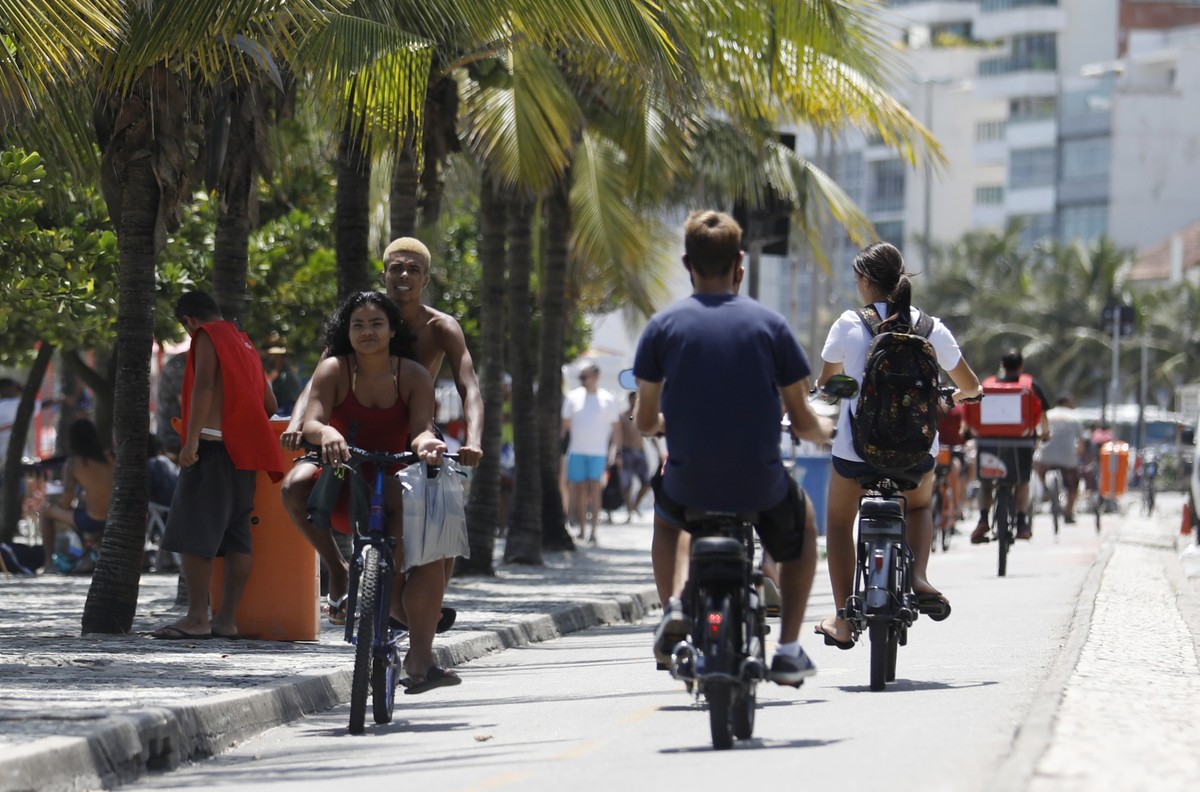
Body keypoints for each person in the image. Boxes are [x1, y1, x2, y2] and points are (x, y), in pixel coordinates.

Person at [632, 210, 834, 686]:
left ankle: (676, 607)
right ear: (739, 265)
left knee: (671, 519)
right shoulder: (770, 326)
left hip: (689, 478)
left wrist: (669, 422)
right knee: (803, 530)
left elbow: (644, 420)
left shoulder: (662, 328)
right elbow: (802, 419)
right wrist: (822, 433)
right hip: (757, 480)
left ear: (687, 264)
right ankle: (786, 648)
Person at [280, 237, 482, 604]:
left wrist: (474, 440)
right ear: (385, 274)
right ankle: (337, 569)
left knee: (446, 513)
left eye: (413, 269)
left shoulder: (441, 327)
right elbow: (316, 380)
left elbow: (469, 387)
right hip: (350, 434)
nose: (404, 275)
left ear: (425, 279)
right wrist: (297, 424)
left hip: (414, 432)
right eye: (397, 268)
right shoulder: (364, 316)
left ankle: (423, 606)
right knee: (294, 487)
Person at [279, 291, 455, 691]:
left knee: (426, 546)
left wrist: (427, 443)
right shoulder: (333, 370)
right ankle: (338, 571)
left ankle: (420, 655)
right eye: (357, 324)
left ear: (394, 330)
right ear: (346, 332)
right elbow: (312, 421)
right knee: (293, 487)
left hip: (393, 478)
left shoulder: (414, 375)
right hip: (343, 473)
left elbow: (422, 428)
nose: (367, 332)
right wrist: (327, 433)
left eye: (376, 324)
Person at [814, 242, 981, 650]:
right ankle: (919, 576)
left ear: (867, 281)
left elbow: (826, 384)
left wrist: (841, 390)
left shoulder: (849, 325)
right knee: (921, 505)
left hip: (857, 454)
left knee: (838, 523)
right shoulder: (931, 328)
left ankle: (841, 617)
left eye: (857, 280)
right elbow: (972, 385)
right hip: (916, 455)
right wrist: (957, 398)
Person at [152, 290, 284, 640]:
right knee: (238, 536)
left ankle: (197, 618)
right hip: (244, 456)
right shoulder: (245, 342)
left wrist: (192, 440)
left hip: (211, 449)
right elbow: (270, 403)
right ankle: (226, 619)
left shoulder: (207, 336)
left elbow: (205, 385)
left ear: (189, 321)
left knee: (195, 534)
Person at [969, 349, 1051, 543]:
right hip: (1021, 444)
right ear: (1021, 367)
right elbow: (1044, 417)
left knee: (986, 482)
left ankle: (982, 519)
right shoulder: (1031, 385)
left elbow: (971, 412)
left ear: (1002, 366)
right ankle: (1022, 523)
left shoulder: (987, 385)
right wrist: (1044, 434)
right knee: (1022, 481)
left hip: (989, 443)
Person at [39, 419, 115, 574]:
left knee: (46, 511)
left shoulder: (73, 463)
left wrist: (60, 506)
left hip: (92, 520)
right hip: (114, 517)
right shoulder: (110, 458)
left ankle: (49, 563)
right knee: (75, 515)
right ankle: (88, 557)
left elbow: (67, 501)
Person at [561, 362, 621, 544]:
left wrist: (616, 452)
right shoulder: (573, 397)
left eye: (584, 376)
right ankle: (582, 528)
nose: (582, 380)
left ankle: (594, 530)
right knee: (578, 489)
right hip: (576, 450)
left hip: (598, 452)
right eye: (580, 377)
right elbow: (565, 426)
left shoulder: (607, 399)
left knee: (595, 488)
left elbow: (616, 429)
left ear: (595, 377)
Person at [1035, 395, 1084, 524]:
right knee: (1073, 486)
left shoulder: (1048, 415)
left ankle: (1044, 489)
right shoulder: (1075, 417)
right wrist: (1078, 454)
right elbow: (1081, 443)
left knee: (1038, 469)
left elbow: (1038, 436)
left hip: (1046, 455)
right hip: (1067, 457)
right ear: (1067, 403)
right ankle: (1069, 512)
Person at [617, 391, 658, 522]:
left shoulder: (641, 417)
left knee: (646, 483)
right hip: (626, 452)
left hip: (640, 453)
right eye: (632, 399)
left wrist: (658, 450)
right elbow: (617, 436)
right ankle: (629, 512)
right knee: (626, 485)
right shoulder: (624, 416)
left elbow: (649, 433)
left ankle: (634, 506)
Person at [263, 336, 303, 417]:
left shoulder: (287, 378)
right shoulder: (277, 377)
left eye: (273, 356)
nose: (270, 359)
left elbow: (289, 409)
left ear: (281, 357)